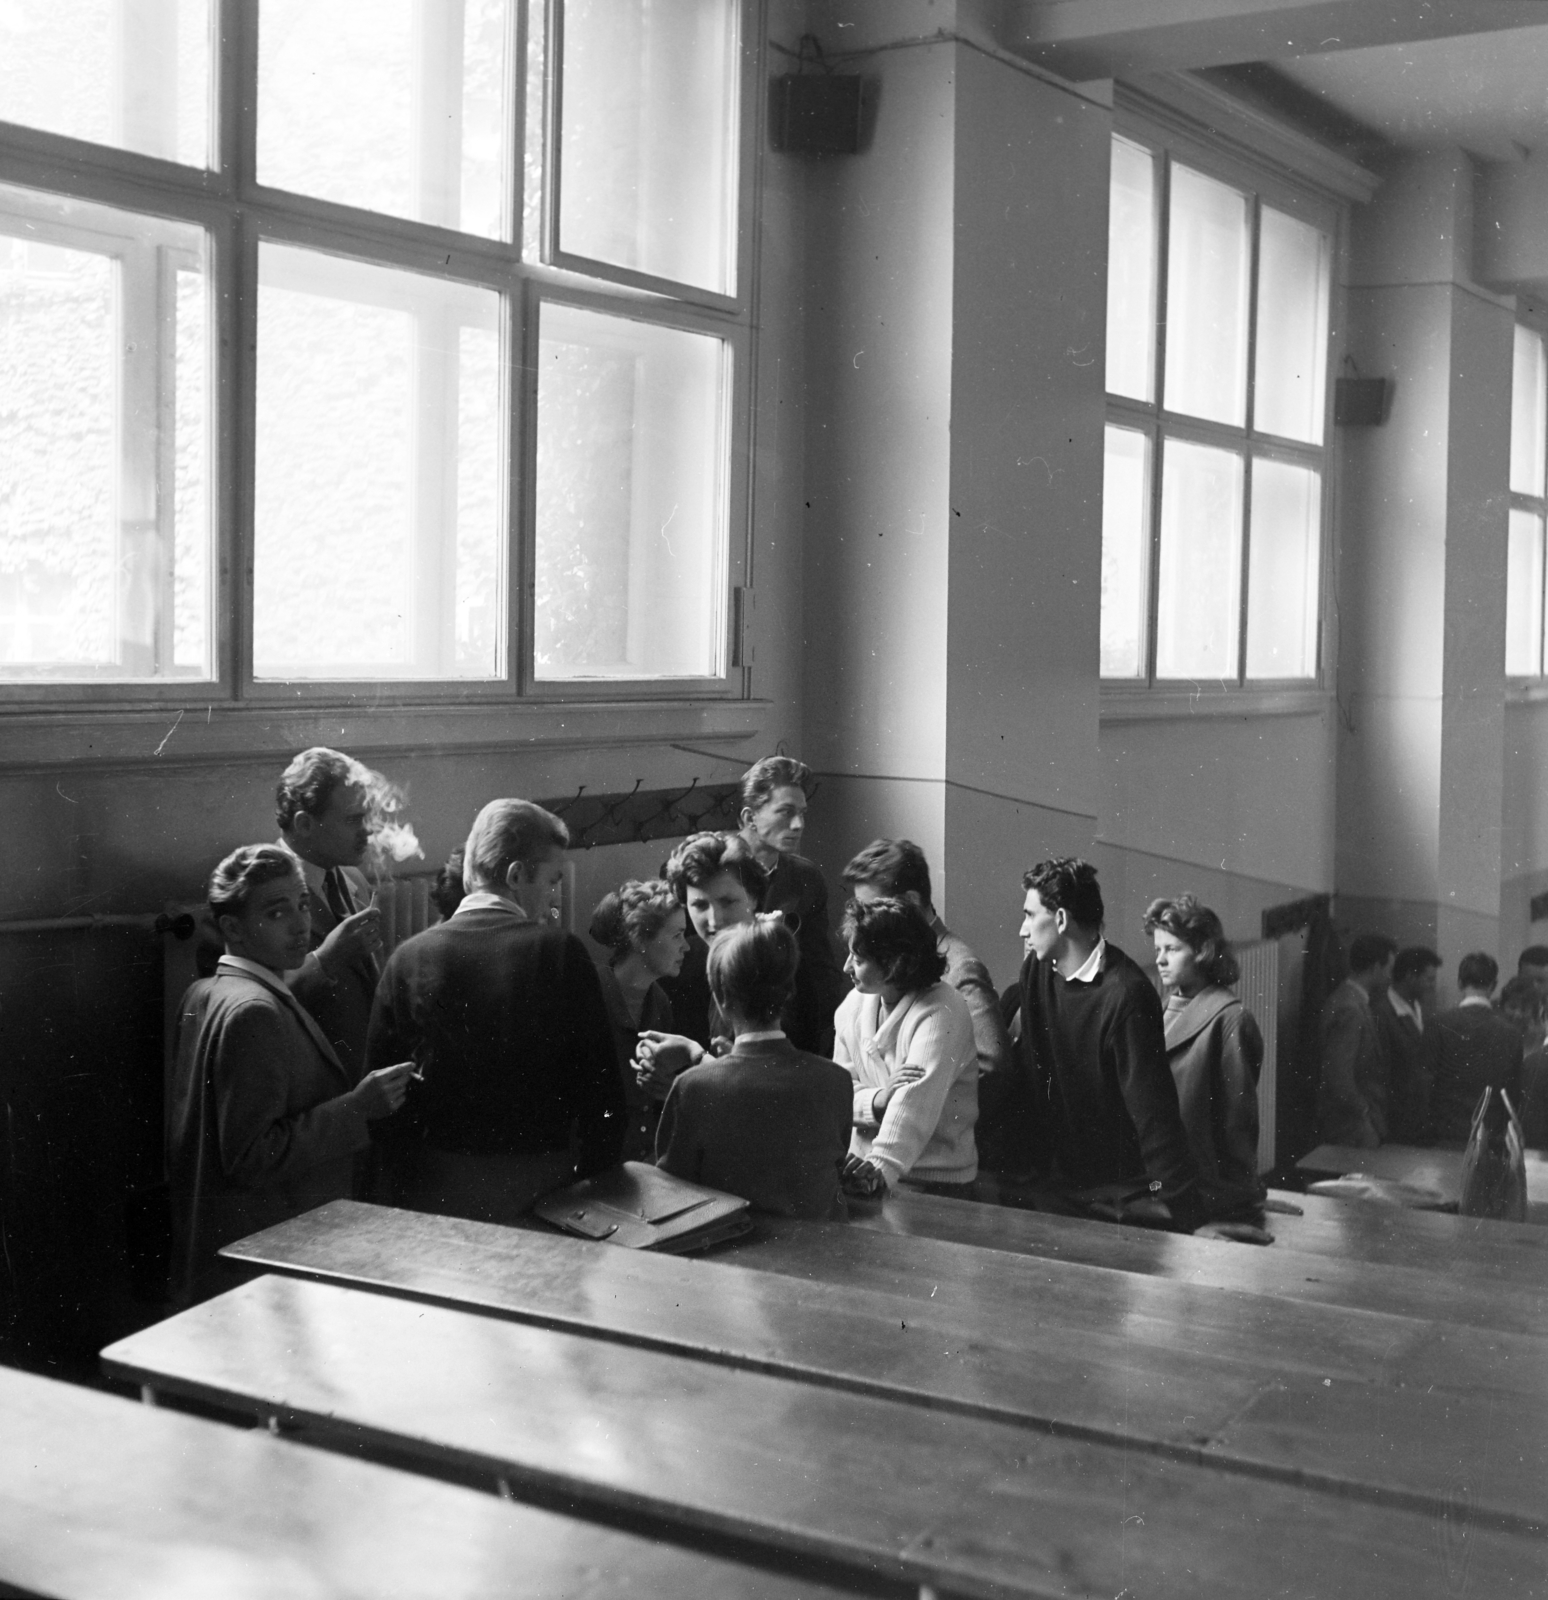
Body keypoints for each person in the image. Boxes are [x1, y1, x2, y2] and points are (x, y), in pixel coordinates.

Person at [167, 845, 412, 1304]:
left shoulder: (207, 992)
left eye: (302, 905)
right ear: (232, 928)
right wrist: (357, 1108)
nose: (301, 925)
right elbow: (252, 1157)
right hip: (267, 1250)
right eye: (278, 912)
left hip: (221, 1245)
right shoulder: (253, 1011)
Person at [365, 799, 625, 1224]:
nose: (553, 896)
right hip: (542, 1191)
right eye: (551, 880)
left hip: (434, 1192)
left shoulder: (407, 958)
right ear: (517, 876)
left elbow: (382, 1099)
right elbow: (601, 1090)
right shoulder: (558, 952)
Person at [1013, 858, 1210, 1230]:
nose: (1023, 930)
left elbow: (1154, 1117)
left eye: (1029, 915)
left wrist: (1191, 1222)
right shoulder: (1037, 970)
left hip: (1119, 1193)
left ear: (1060, 920)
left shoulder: (1127, 995)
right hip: (1057, 1185)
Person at [656, 919, 851, 1219]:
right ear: (788, 992)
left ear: (721, 1000)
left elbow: (672, 1187)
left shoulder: (693, 1087)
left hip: (728, 1252)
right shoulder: (836, 1080)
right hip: (820, 1253)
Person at [840, 839, 1012, 1160]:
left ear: (910, 901)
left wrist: (921, 1107)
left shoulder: (959, 968)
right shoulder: (861, 990)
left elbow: (991, 1066)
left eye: (871, 907)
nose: (862, 922)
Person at [834, 896, 979, 1196]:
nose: (847, 966)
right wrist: (878, 1101)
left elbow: (913, 1106)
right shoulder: (851, 1007)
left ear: (894, 964)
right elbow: (838, 1091)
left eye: (859, 961)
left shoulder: (943, 1009)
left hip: (933, 1181)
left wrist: (876, 1173)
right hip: (866, 1174)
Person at [277, 746, 393, 1082]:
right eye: (354, 819)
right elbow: (253, 1003)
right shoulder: (261, 893)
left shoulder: (350, 878)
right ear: (304, 824)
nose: (368, 831)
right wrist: (325, 960)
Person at [1144, 896, 1265, 1218]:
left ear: (1202, 951)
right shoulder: (1160, 1008)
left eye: (1172, 949)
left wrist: (1241, 1194)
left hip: (1203, 1186)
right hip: (1161, 1176)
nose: (1160, 960)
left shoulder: (1230, 1019)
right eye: (1157, 950)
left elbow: (1238, 1124)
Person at [635, 831, 772, 1094]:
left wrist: (694, 1057)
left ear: (753, 897)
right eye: (699, 905)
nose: (714, 920)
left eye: (727, 901)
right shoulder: (702, 963)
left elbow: (778, 1088)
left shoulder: (776, 966)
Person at [738, 755, 850, 1056]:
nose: (798, 824)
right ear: (749, 819)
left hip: (790, 1039)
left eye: (801, 813)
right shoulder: (712, 871)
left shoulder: (805, 877)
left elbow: (821, 975)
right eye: (786, 812)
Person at [589, 879, 688, 1161]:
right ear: (641, 938)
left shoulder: (660, 1003)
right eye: (677, 935)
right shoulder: (592, 992)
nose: (686, 948)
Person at [1427, 953, 1524, 1145]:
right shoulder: (1511, 1033)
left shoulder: (1437, 1024)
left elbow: (1425, 1084)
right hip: (1490, 1137)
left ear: (1460, 983)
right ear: (1493, 985)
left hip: (1444, 1134)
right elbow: (1513, 1094)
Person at [1316, 933, 1396, 1148]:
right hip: (1352, 1126)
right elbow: (1339, 1075)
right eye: (1388, 969)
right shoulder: (1350, 1009)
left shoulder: (1350, 1000)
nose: (1390, 977)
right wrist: (1364, 1112)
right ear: (1376, 968)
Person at [1376, 946, 1441, 1142]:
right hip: (1396, 1125)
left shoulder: (1425, 1009)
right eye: (1429, 979)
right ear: (1411, 977)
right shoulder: (1381, 1014)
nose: (1433, 985)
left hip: (1423, 1123)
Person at [1500, 976, 1548, 1150]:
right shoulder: (1497, 1037)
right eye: (1512, 1007)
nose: (1517, 1014)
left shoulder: (1540, 1039)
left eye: (1524, 1009)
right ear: (1502, 1006)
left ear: (1535, 1011)